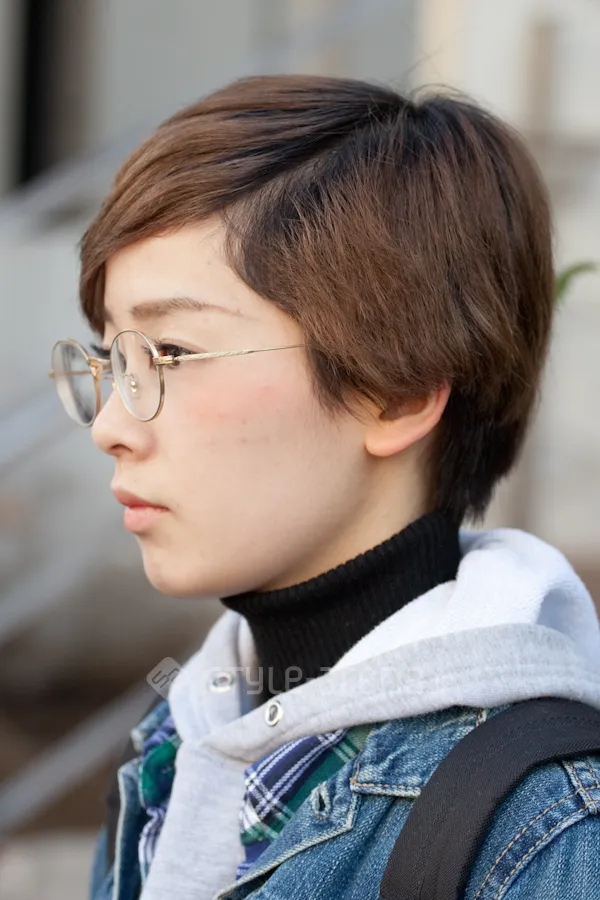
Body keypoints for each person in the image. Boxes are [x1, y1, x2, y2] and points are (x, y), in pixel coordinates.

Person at [50, 75, 600, 900]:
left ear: (398, 392)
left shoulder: (543, 835)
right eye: (110, 360)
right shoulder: (178, 740)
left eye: (171, 354)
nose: (111, 426)